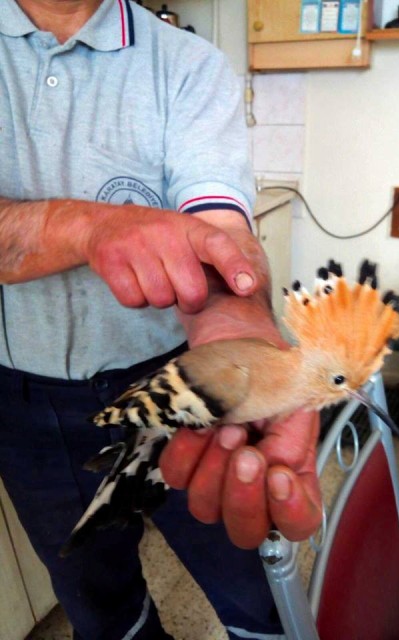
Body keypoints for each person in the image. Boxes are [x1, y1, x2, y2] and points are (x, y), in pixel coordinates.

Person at [0, 1, 322, 638]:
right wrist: (88, 227)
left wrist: (240, 344)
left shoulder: (188, 63)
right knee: (98, 603)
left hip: (175, 381)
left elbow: (217, 228)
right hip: (21, 403)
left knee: (253, 589)